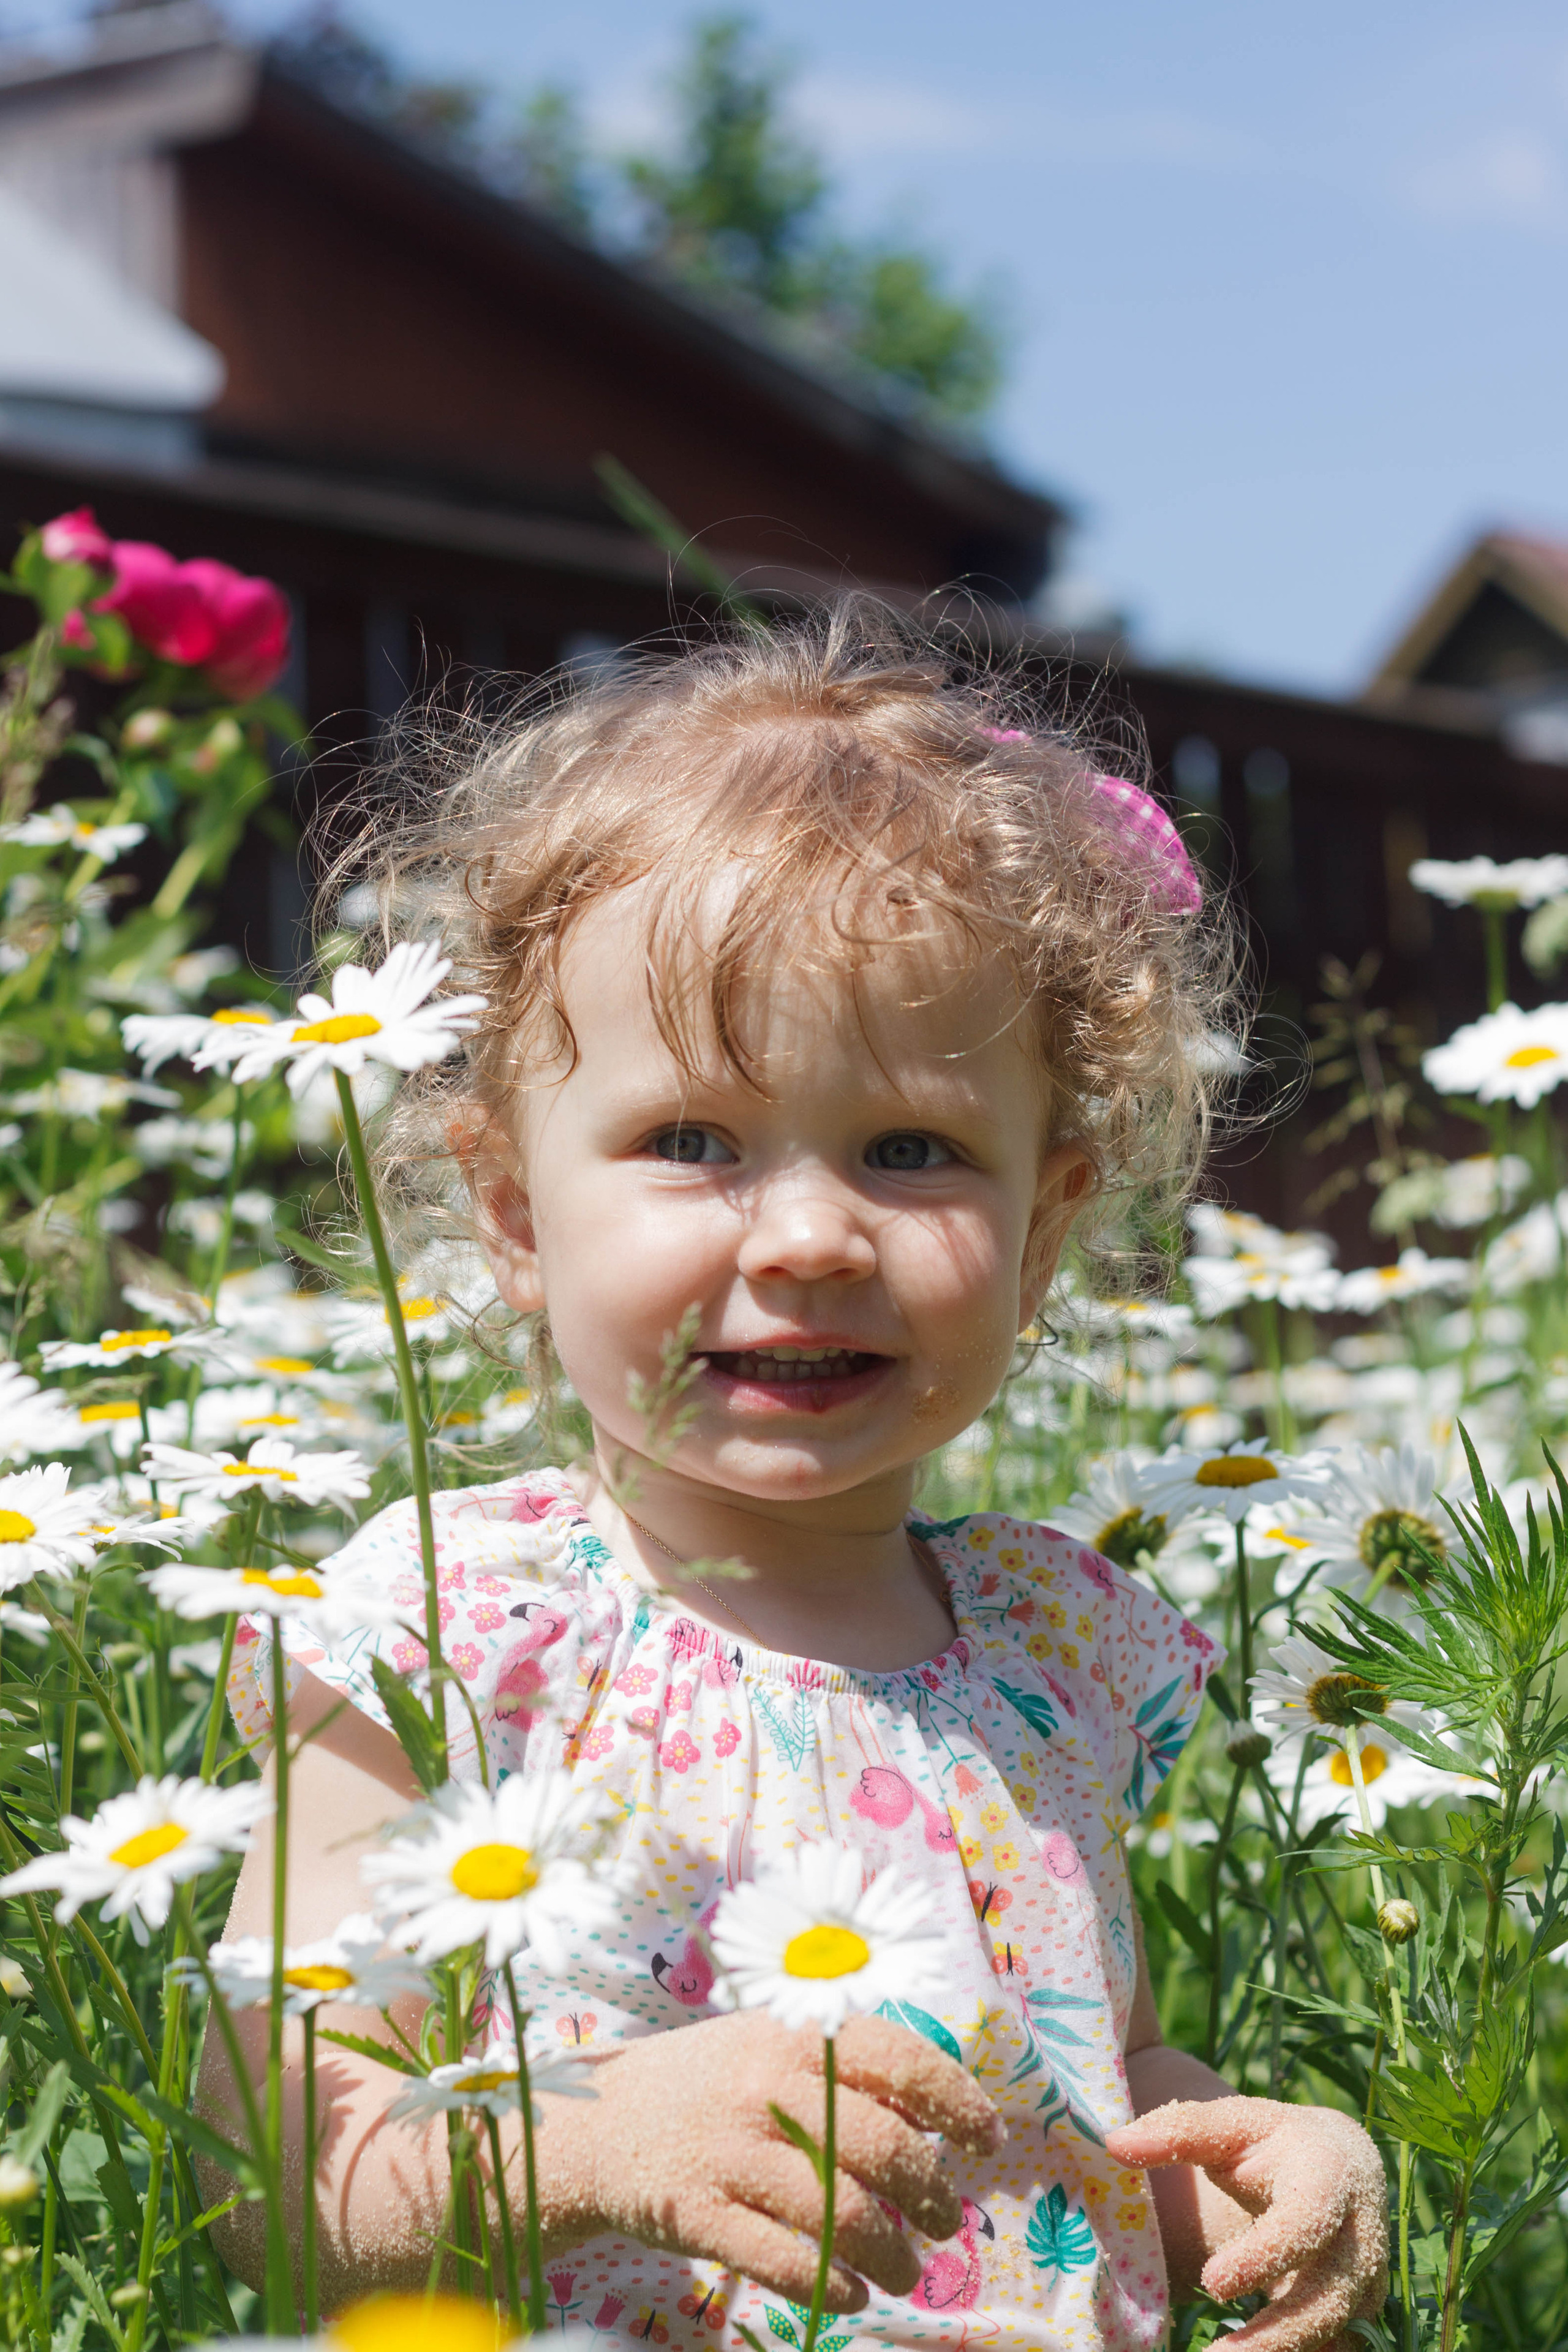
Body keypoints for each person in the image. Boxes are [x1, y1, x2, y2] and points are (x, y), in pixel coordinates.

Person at [201, 606, 1387, 2350]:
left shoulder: (1060, 1644)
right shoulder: (446, 1633)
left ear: (1046, 1222)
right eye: (694, 1142)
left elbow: (1086, 2071)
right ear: (518, 1215)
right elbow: (268, 2186)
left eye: (912, 1149)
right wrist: (588, 2145)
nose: (817, 1234)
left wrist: (1262, 2161)